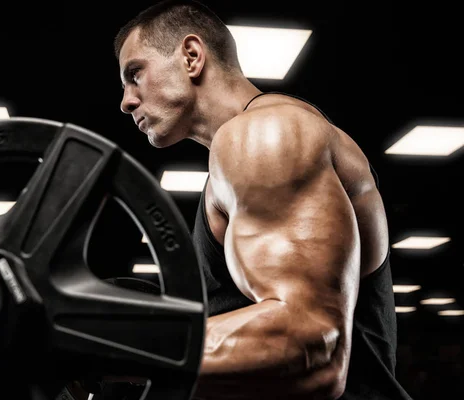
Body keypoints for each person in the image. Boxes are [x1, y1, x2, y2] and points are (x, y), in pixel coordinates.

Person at [113, 1, 415, 399]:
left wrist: (109, 347)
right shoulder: (243, 153)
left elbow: (311, 345)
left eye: (135, 74)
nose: (126, 101)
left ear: (191, 56)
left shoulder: (265, 134)